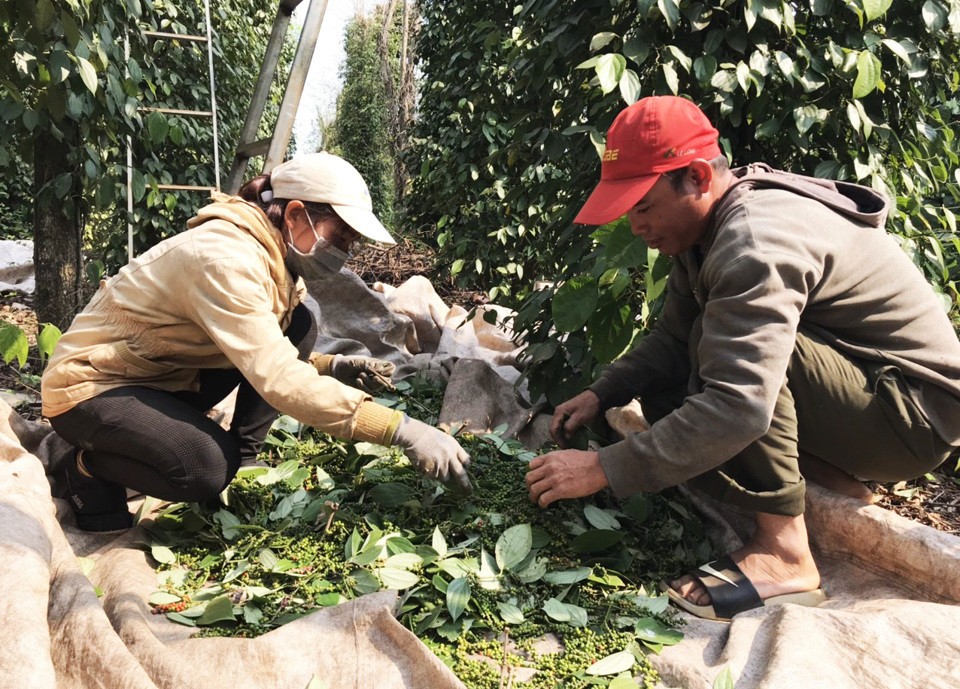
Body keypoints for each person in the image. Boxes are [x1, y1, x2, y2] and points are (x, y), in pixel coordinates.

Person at [525, 96, 960, 621]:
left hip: (913, 415)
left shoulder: (752, 240)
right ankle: (826, 481)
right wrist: (603, 393)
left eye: (642, 206)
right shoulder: (702, 233)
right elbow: (671, 338)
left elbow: (740, 405)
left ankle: (784, 554)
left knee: (731, 358)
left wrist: (603, 468)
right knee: (680, 373)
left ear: (696, 177)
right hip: (863, 389)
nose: (635, 225)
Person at [42, 152, 471, 532]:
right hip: (91, 387)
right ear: (296, 215)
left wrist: (330, 366)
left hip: (159, 372)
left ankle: (243, 459)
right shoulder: (225, 260)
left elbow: (261, 343)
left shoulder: (271, 256)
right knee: (204, 469)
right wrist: (401, 430)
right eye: (340, 238)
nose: (345, 253)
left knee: (299, 322)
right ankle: (87, 467)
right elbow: (279, 378)